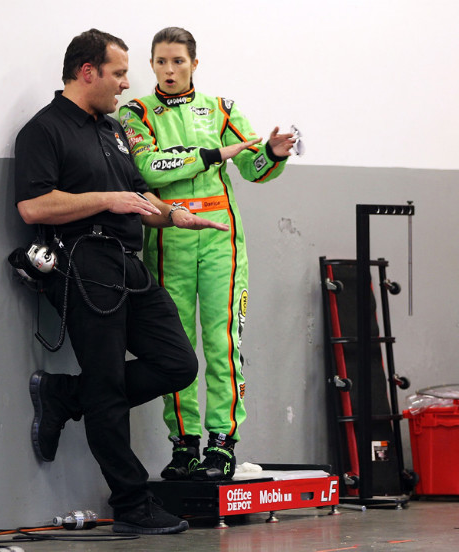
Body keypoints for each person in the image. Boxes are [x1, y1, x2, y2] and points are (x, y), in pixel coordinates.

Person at [13, 28, 250, 535]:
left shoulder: (113, 129)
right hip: (83, 264)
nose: (126, 84)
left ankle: (65, 397)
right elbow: (33, 206)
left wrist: (171, 215)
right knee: (106, 387)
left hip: (128, 262)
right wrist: (104, 199)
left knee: (177, 363)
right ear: (87, 72)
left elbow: (139, 194)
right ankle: (131, 502)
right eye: (119, 73)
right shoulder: (44, 129)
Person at [118, 26, 297, 482]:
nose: (170, 69)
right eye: (161, 62)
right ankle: (184, 446)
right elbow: (145, 166)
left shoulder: (223, 109)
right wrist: (213, 153)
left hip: (221, 241)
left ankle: (222, 445)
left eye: (178, 61)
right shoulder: (135, 113)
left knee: (222, 344)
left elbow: (254, 167)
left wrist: (272, 155)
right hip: (167, 239)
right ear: (152, 65)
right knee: (176, 347)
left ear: (195, 64)